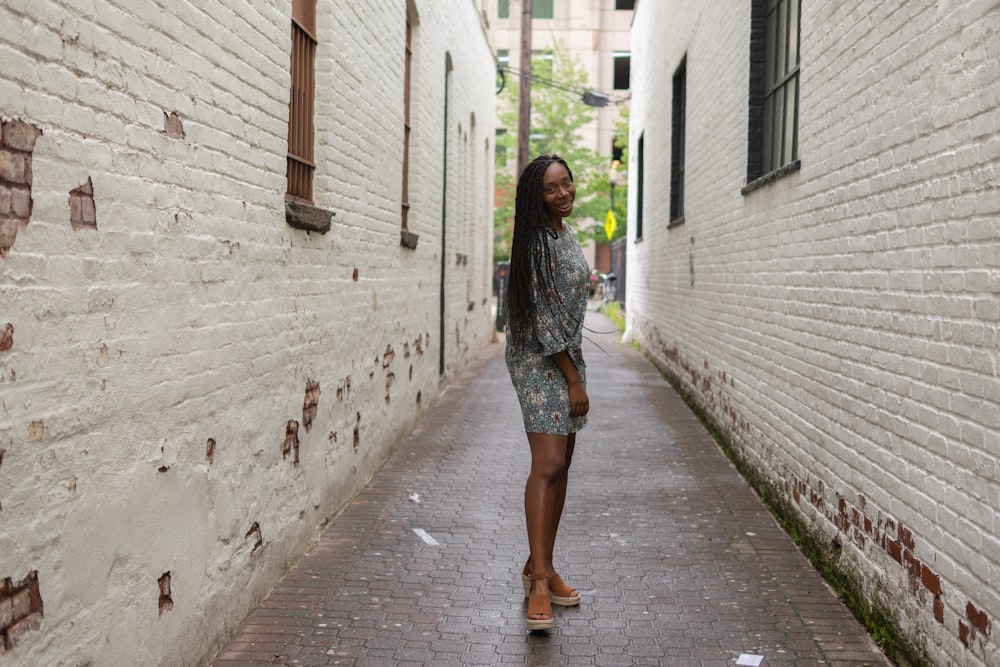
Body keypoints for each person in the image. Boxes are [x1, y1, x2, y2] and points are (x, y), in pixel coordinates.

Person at [503, 155, 590, 631]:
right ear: (537, 197)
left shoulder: (563, 232)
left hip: (565, 356)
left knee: (564, 466)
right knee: (549, 465)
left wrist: (574, 368)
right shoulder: (537, 242)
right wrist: (572, 377)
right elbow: (541, 319)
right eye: (552, 189)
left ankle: (544, 564)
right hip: (540, 359)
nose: (563, 193)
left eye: (567, 184)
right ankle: (538, 581)